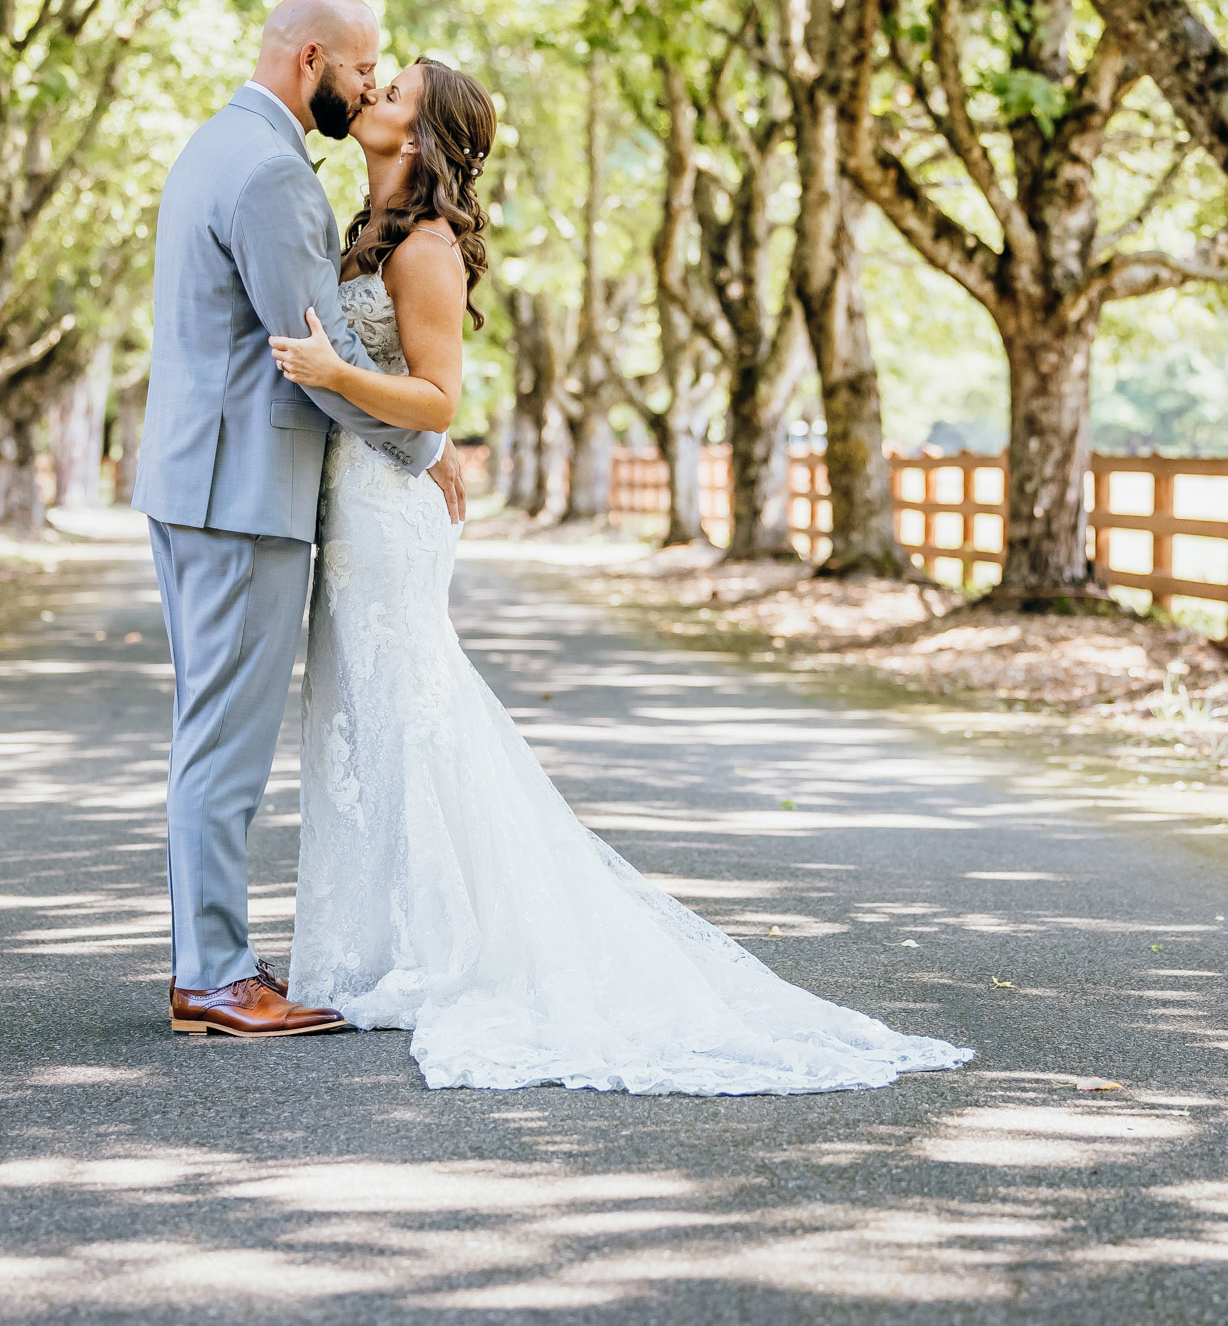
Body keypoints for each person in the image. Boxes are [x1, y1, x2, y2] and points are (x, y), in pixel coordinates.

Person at [266, 55, 974, 1094]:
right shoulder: (364, 228)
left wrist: (337, 376)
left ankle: (453, 953)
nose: (374, 92)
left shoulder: (422, 247)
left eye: (397, 90)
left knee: (410, 712)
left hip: (387, 515)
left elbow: (435, 398)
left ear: (422, 135)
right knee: (365, 713)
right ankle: (375, 945)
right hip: (359, 499)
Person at [133, 0, 466, 1038]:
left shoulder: (215, 143)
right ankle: (214, 976)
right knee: (224, 743)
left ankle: (211, 955)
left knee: (210, 730)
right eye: (363, 68)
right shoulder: (276, 173)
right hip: (239, 492)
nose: (369, 85)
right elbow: (311, 357)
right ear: (313, 57)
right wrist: (423, 444)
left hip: (201, 480)